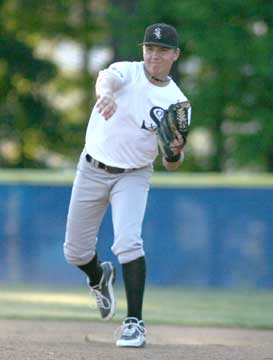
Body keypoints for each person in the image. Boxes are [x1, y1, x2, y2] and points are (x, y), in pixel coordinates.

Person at [64, 22, 191, 348]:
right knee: (75, 252)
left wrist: (174, 152)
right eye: (149, 48)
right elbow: (107, 78)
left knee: (128, 241)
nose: (154, 55)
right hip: (92, 167)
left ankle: (134, 323)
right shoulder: (126, 71)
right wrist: (105, 94)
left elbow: (171, 165)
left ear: (175, 55)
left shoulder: (177, 103)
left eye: (162, 50)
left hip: (133, 175)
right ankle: (98, 276)